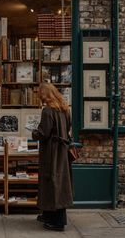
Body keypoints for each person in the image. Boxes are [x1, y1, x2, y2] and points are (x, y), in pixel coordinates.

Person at [32, 83, 73, 232]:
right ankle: (48, 214)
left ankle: (57, 222)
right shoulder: (65, 109)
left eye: (41, 94)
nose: (40, 97)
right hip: (62, 151)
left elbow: (44, 133)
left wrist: (34, 133)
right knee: (57, 181)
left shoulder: (47, 111)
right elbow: (67, 129)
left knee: (52, 181)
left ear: (46, 95)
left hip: (51, 151)